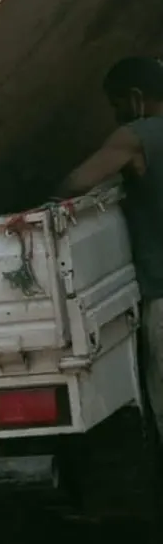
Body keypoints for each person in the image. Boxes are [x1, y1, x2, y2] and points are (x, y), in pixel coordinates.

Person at [60, 56, 163, 433]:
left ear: (136, 97)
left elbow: (76, 183)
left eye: (117, 104)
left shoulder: (137, 136)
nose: (116, 114)